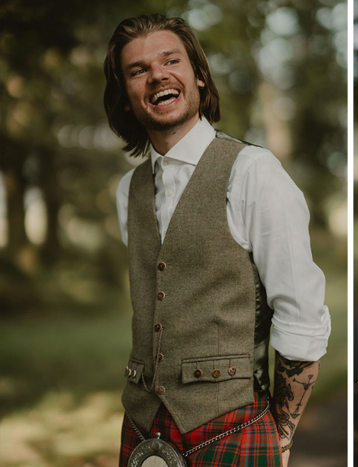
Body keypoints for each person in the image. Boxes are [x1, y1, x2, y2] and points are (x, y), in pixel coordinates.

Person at [103, 14, 331, 466]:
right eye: (138, 70)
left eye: (171, 60)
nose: (157, 75)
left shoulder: (253, 173)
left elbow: (301, 319)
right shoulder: (128, 191)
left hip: (234, 426)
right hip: (143, 429)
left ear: (199, 77)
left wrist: (281, 435)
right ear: (126, 98)